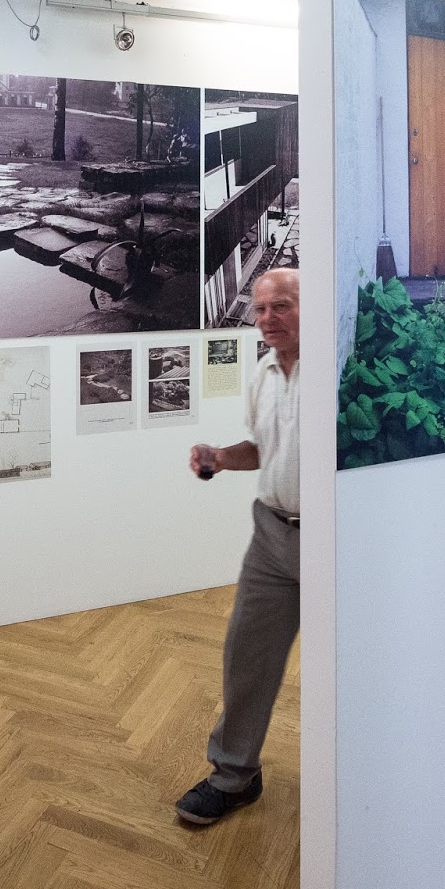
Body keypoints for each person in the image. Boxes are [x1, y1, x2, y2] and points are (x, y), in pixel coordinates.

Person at [175, 268, 300, 825]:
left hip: (333, 541)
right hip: (271, 536)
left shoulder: (336, 371)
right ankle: (234, 777)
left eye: (282, 306)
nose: (268, 319)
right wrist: (222, 458)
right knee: (245, 655)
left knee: (354, 665)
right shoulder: (263, 373)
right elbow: (263, 448)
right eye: (260, 309)